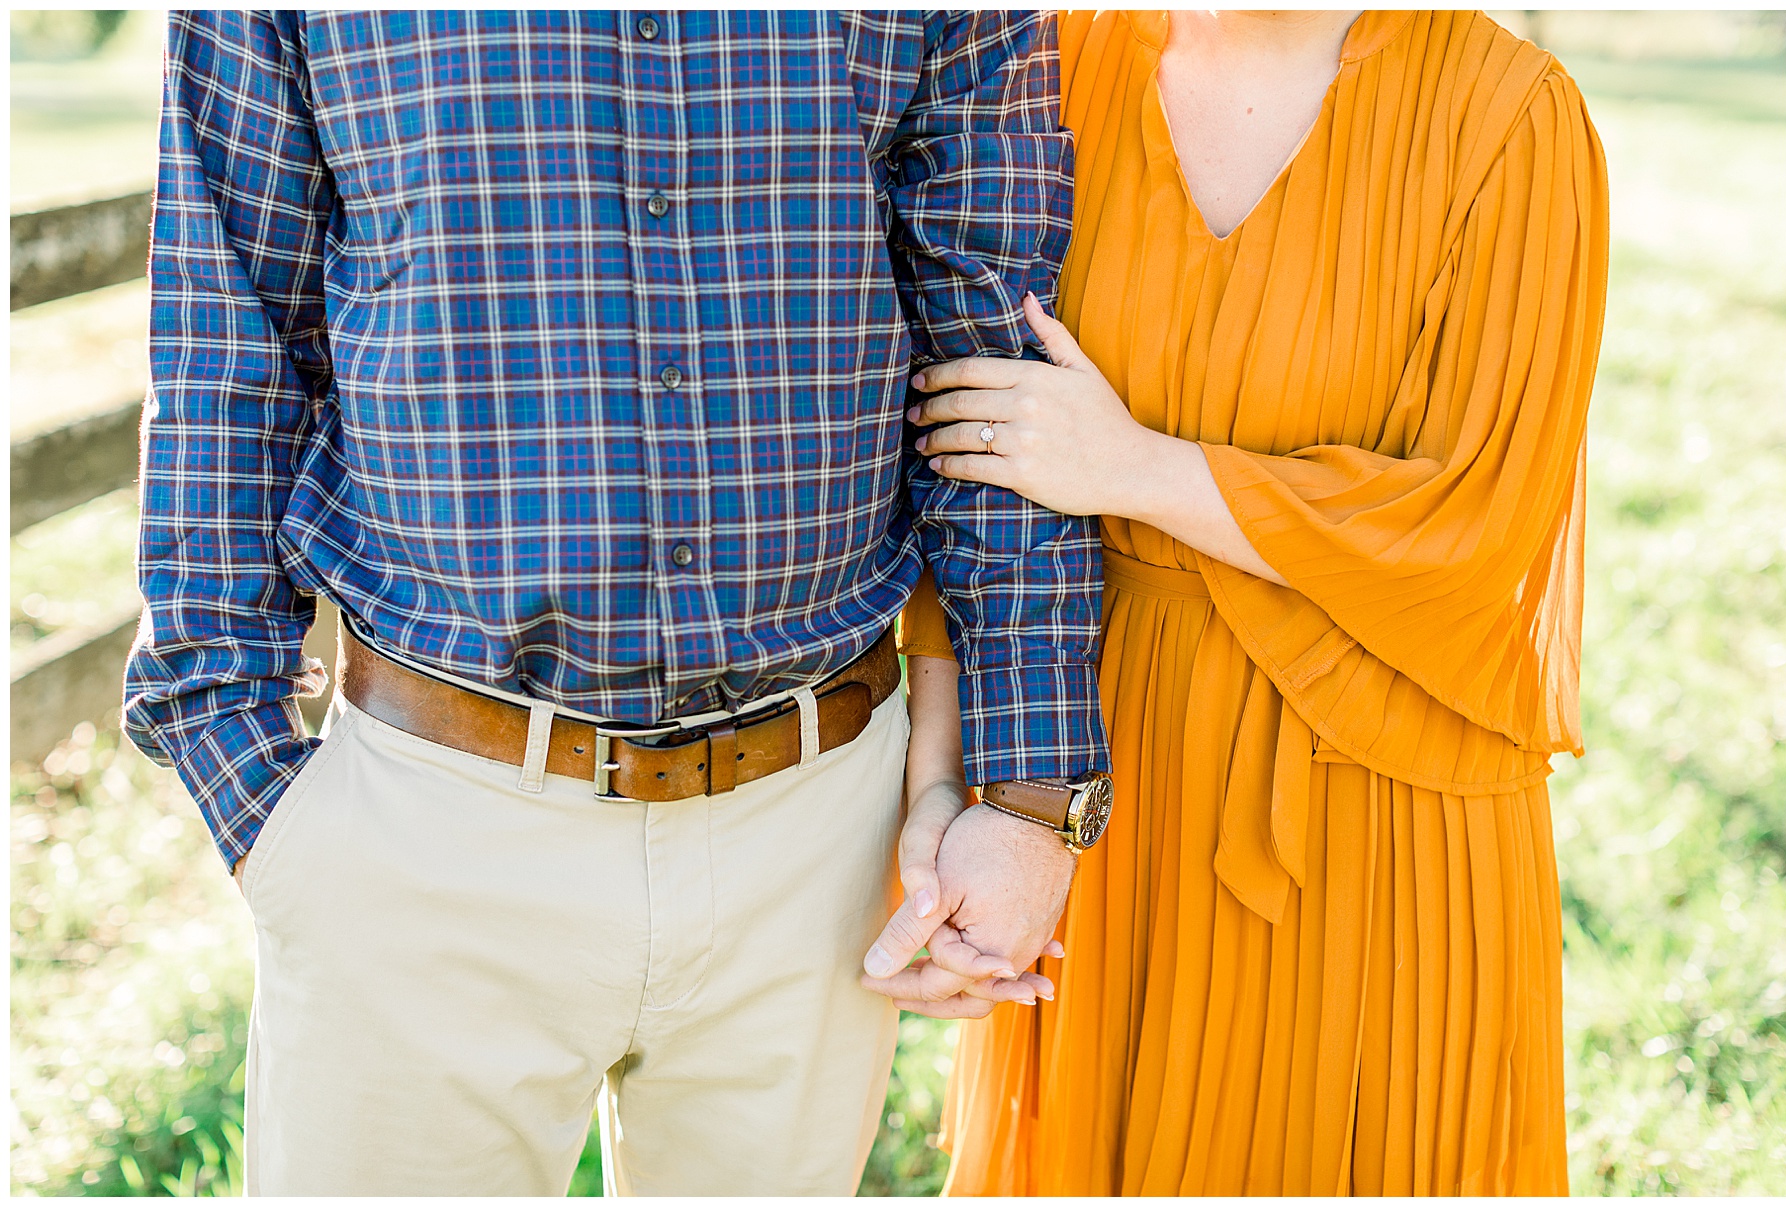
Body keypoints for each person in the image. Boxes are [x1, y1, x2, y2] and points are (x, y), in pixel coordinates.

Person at [122, 11, 1111, 1196]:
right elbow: (230, 339)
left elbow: (995, 348)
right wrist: (252, 785)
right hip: (425, 827)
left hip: (815, 839)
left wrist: (1028, 789)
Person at [871, 8, 1607, 1194]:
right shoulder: (1045, 65)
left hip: (1378, 805)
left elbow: (1482, 526)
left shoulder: (1510, 114)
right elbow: (964, 463)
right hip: (1091, 777)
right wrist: (950, 790)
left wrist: (1136, 469)